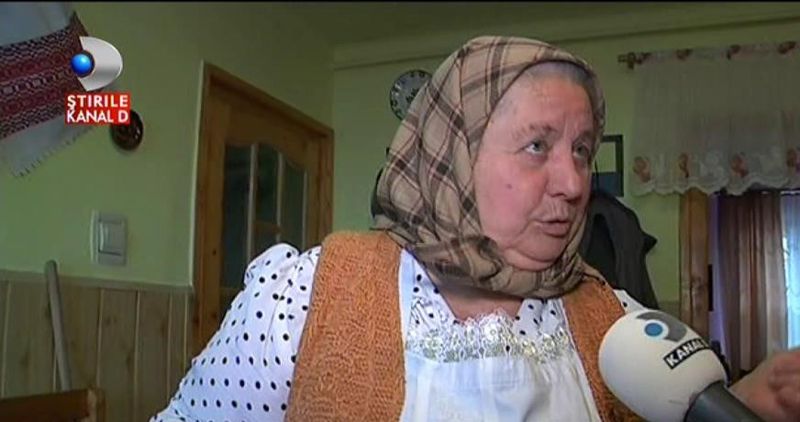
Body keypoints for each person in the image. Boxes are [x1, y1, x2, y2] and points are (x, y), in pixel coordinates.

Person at [152, 36, 800, 422]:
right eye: (537, 145)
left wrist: (743, 400)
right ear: (451, 160)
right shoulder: (304, 297)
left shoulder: (611, 317)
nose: (575, 183)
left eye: (581, 150)